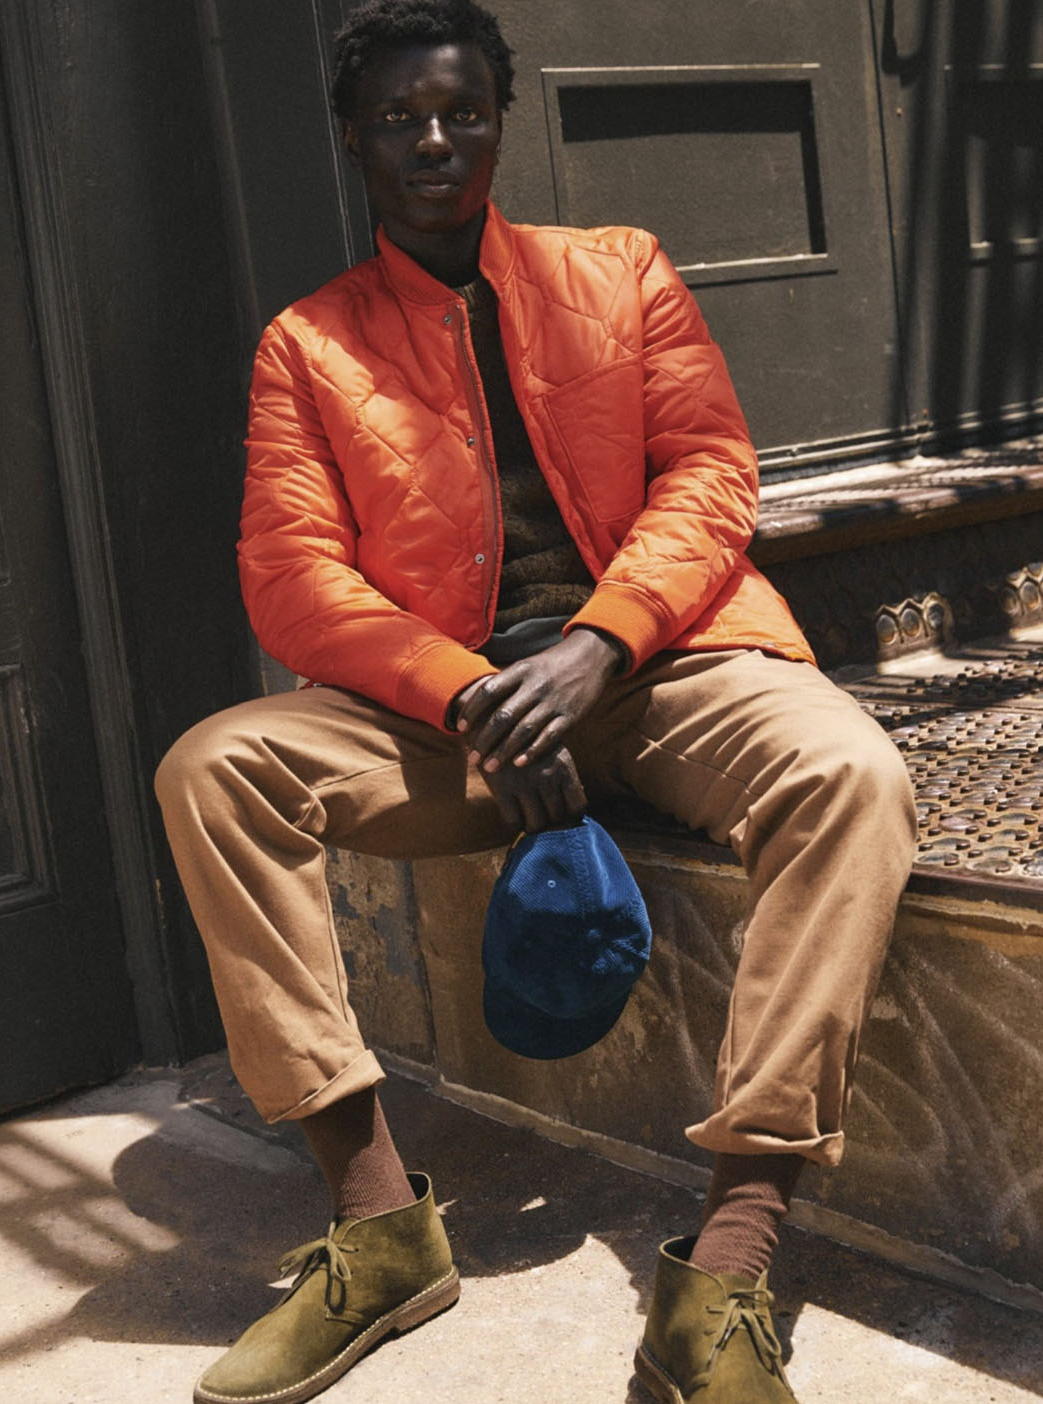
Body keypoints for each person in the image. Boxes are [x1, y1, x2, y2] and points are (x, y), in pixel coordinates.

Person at [155, 2, 916, 1400]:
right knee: (215, 768)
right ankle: (381, 1227)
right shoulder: (307, 347)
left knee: (851, 774)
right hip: (459, 725)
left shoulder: (620, 272)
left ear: (500, 119)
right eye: (400, 118)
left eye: (460, 111)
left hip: (664, 670)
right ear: (355, 140)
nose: (434, 141)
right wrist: (471, 693)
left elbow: (710, 475)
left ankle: (732, 1265)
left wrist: (596, 644)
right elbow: (294, 579)